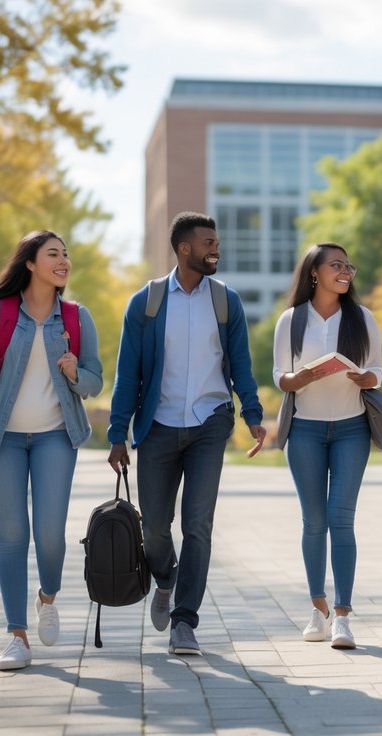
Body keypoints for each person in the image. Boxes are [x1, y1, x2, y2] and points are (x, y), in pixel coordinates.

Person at [108, 212, 266, 657]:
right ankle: (164, 578)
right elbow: (128, 374)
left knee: (198, 523)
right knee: (155, 527)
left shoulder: (225, 302)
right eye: (209, 243)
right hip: (157, 426)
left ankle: (185, 621)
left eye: (217, 242)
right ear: (184, 249)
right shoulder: (147, 303)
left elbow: (240, 364)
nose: (216, 249)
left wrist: (252, 413)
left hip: (209, 422)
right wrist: (118, 433)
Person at [0, 230, 103, 671]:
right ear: (31, 264)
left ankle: (48, 597)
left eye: (66, 255)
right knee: (13, 536)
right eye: (53, 254)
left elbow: (96, 383)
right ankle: (16, 635)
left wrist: (77, 371)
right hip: (3, 439)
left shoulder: (77, 318)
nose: (63, 261)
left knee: (51, 536)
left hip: (56, 436)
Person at [273, 243, 382, 649]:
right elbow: (278, 374)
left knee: (342, 518)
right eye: (336, 265)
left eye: (348, 265)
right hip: (305, 431)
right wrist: (295, 380)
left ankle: (342, 617)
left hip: (352, 429)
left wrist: (370, 379)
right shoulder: (291, 320)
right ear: (314, 272)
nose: (345, 271)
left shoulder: (362, 318)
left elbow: (377, 368)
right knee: (313, 521)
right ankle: (317, 608)